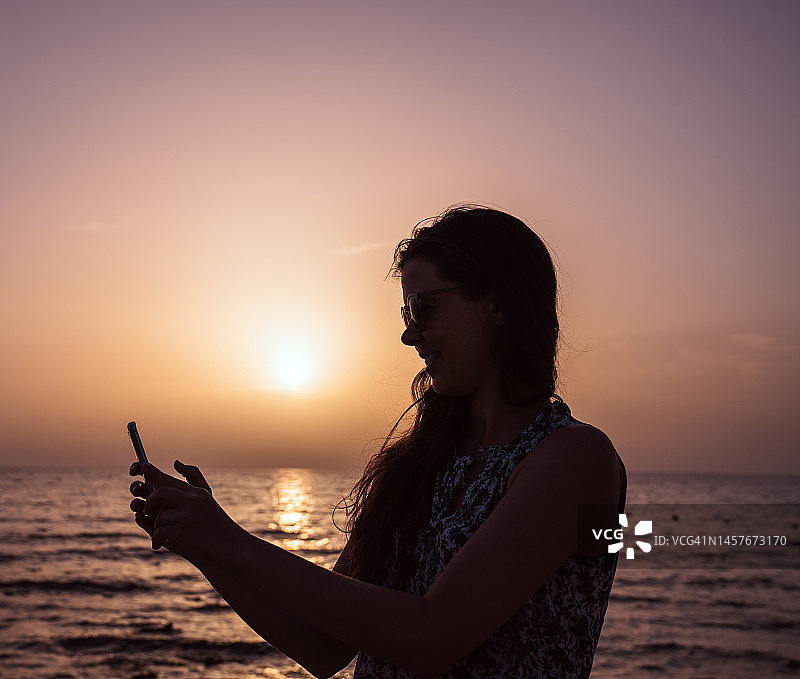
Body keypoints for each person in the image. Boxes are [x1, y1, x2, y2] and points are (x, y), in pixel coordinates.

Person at [129, 205, 626, 679]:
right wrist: (202, 543)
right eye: (406, 314)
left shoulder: (578, 460)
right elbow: (320, 647)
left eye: (423, 309)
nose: (410, 336)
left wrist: (230, 539)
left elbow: (433, 637)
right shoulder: (422, 465)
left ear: (496, 302)